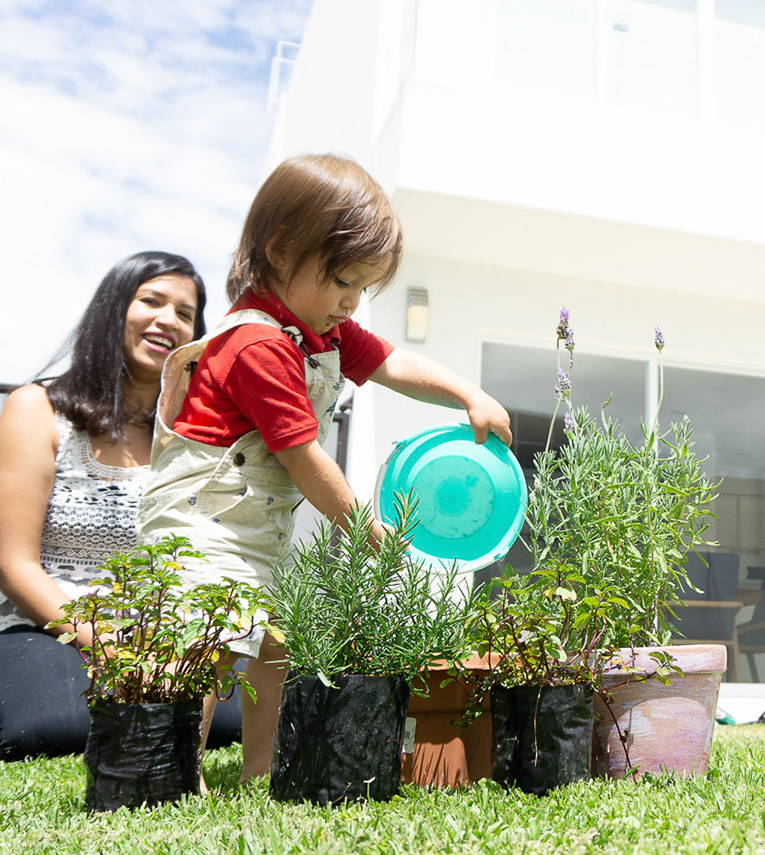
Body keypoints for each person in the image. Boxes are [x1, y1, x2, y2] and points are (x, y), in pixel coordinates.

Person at [139, 153, 512, 781]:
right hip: (200, 517)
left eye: (364, 287)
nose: (351, 302)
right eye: (342, 280)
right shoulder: (256, 344)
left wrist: (467, 394)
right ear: (281, 249)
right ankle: (176, 772)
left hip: (254, 522)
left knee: (277, 643)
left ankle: (261, 768)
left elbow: (393, 363)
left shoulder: (323, 334)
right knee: (206, 641)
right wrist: (361, 525)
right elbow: (302, 454)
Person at [0, 251, 210, 759]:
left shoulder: (193, 438)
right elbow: (13, 565)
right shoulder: (37, 409)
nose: (168, 320)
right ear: (114, 308)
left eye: (184, 314)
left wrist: (166, 653)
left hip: (155, 639)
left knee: (228, 713)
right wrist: (110, 649)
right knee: (55, 723)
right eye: (152, 301)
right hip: (38, 630)